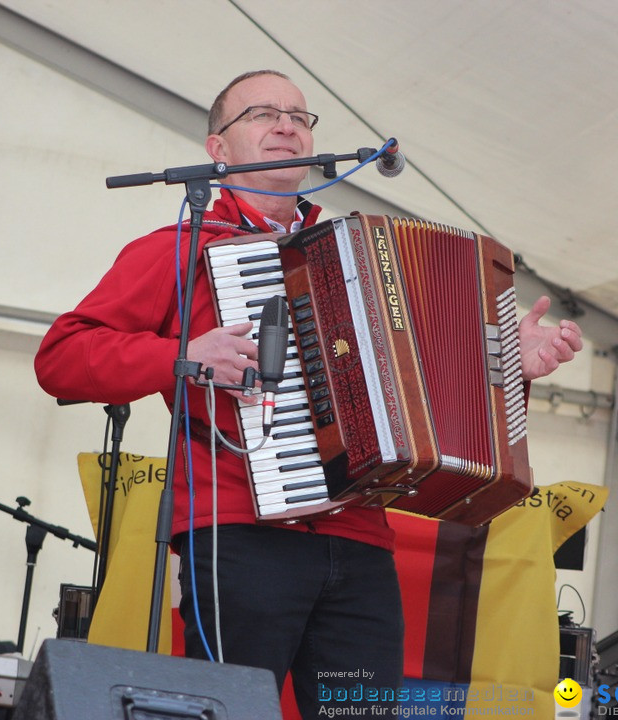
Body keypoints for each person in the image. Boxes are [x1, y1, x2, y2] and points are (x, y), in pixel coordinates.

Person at [35, 69, 582, 718]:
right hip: (239, 534)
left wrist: (506, 361)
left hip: (358, 537)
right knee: (231, 711)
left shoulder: (356, 253)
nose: (287, 124)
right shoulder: (182, 250)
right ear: (218, 148)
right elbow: (61, 358)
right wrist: (182, 358)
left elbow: (429, 391)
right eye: (263, 114)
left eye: (299, 115)